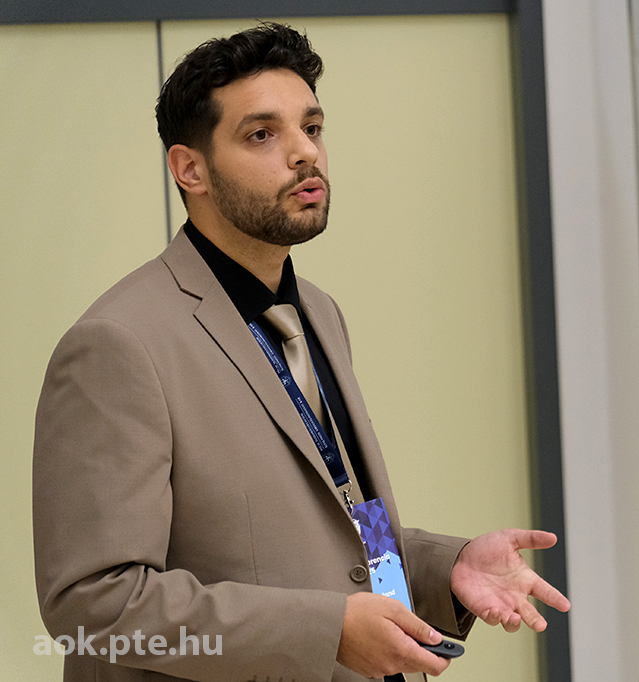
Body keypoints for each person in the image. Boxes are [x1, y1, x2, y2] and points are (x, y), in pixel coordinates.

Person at [32, 22, 569, 682]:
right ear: (189, 169)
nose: (304, 153)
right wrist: (325, 632)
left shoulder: (317, 311)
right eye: (262, 134)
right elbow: (93, 607)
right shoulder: (117, 346)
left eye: (311, 128)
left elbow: (352, 526)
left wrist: (445, 568)